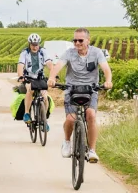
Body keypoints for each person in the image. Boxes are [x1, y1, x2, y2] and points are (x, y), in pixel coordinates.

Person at [48, 27, 112, 163]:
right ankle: (66, 142)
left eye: (80, 40)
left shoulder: (97, 53)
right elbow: (58, 65)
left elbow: (106, 68)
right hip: (72, 89)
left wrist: (108, 81)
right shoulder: (69, 53)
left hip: (91, 90)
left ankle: (92, 150)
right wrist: (52, 78)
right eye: (75, 40)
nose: (77, 43)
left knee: (91, 115)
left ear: (88, 40)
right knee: (71, 120)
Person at [17, 33, 52, 130]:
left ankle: (44, 119)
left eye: (36, 45)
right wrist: (20, 75)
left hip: (40, 77)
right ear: (29, 44)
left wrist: (53, 74)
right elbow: (20, 65)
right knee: (30, 89)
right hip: (28, 77)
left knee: (45, 96)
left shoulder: (43, 51)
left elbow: (49, 63)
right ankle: (27, 113)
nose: (35, 47)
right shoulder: (25, 53)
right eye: (33, 44)